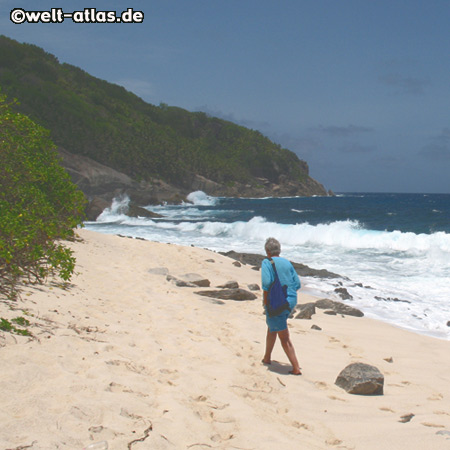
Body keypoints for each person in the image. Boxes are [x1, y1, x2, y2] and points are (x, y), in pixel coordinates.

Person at [261, 237, 302, 375]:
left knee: (283, 336)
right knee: (272, 327)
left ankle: (296, 368)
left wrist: (266, 302)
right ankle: (267, 357)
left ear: (267, 251)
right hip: (290, 301)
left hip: (276, 302)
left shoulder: (267, 262)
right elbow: (297, 284)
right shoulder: (287, 262)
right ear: (279, 250)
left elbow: (266, 283)